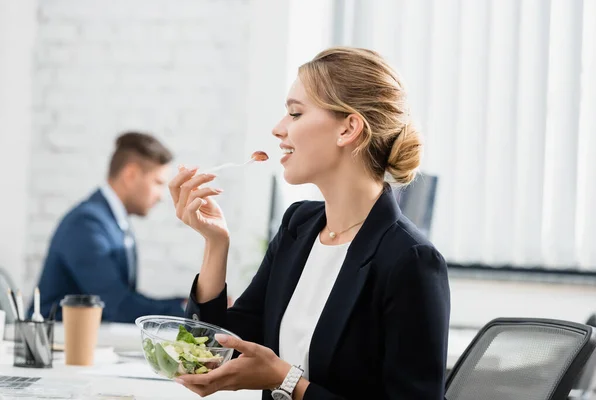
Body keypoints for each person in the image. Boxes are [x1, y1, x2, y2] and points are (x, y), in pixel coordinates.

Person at [170, 47, 450, 399]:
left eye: (295, 113)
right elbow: (215, 347)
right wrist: (215, 244)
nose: (278, 128)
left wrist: (289, 383)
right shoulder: (298, 226)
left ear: (348, 128)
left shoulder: (410, 260)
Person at [32, 132, 186, 323]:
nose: (161, 196)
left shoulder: (113, 222)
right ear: (130, 175)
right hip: (55, 344)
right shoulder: (87, 224)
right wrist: (188, 314)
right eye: (158, 183)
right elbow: (117, 306)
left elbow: (124, 298)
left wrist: (184, 303)